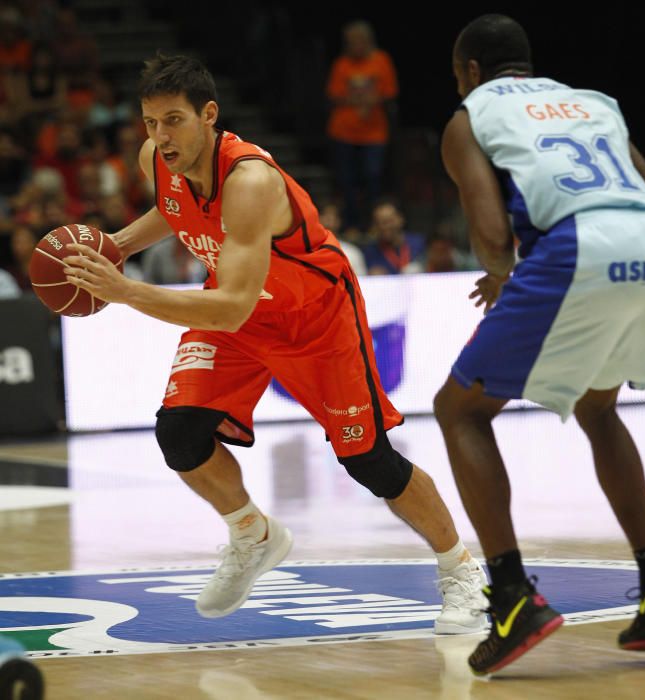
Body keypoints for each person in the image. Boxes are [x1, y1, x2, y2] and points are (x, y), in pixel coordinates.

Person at [61, 54, 488, 633]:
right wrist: (116, 245)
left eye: (174, 121)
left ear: (209, 115)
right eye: (150, 122)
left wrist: (124, 290)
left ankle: (461, 572)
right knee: (179, 433)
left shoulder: (251, 181)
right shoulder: (157, 160)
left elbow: (233, 302)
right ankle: (250, 533)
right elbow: (175, 209)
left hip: (314, 319)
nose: (160, 136)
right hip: (240, 320)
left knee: (370, 462)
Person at [433, 14, 645, 675]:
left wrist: (503, 277)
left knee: (459, 410)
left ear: (470, 72)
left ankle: (510, 599)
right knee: (597, 406)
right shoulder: (593, 102)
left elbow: (491, 231)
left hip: (577, 248)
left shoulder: (469, 115)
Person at [326, 21, 398, 230]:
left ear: (368, 41)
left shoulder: (381, 60)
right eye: (350, 42)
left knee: (373, 178)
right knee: (346, 181)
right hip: (344, 132)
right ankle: (351, 225)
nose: (355, 46)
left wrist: (367, 102)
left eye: (358, 41)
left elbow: (390, 91)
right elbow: (334, 93)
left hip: (374, 133)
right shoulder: (342, 64)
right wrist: (361, 101)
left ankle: (374, 224)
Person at [364, 200, 426, 275]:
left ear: (401, 219)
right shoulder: (371, 252)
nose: (383, 227)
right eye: (378, 223)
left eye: (388, 221)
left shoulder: (419, 243)